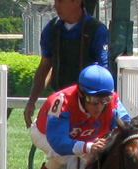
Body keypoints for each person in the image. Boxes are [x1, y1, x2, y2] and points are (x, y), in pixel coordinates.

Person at [22, 64, 130, 169]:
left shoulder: (112, 101)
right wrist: (88, 147)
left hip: (83, 136)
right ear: (80, 93)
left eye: (104, 100)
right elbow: (58, 142)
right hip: (45, 134)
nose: (99, 106)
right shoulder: (61, 102)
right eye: (93, 100)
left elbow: (126, 125)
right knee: (65, 157)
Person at [23, 0, 109, 129]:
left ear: (77, 2)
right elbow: (45, 67)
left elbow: (103, 73)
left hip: (87, 107)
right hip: (61, 102)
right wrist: (31, 101)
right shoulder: (51, 29)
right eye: (56, 1)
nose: (56, 5)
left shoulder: (97, 30)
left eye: (61, 1)